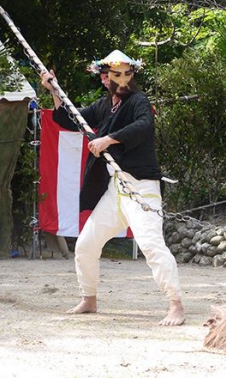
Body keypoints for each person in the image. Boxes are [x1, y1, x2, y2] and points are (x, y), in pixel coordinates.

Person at [40, 49, 185, 326]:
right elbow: (69, 118)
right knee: (86, 245)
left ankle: (175, 304)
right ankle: (89, 298)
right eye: (110, 75)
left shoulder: (138, 102)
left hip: (141, 188)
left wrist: (108, 139)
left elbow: (144, 126)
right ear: (104, 79)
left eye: (122, 74)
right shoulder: (104, 106)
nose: (114, 79)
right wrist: (54, 91)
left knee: (151, 246)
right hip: (115, 190)